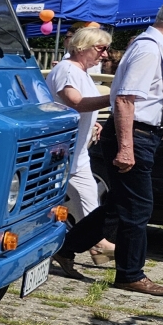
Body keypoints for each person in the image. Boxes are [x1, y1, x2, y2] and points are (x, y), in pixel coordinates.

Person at [52, 0, 163, 295]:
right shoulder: (148, 49)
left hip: (144, 134)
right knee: (138, 208)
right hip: (135, 136)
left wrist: (162, 123)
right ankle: (130, 273)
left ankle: (66, 248)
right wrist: (127, 147)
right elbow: (124, 99)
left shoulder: (155, 47)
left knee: (120, 205)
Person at [46, 26, 114, 263]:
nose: (105, 54)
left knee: (90, 203)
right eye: (101, 48)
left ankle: (92, 247)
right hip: (60, 153)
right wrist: (114, 97)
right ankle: (99, 247)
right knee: (81, 206)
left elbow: (82, 107)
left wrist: (94, 123)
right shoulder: (67, 70)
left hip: (77, 154)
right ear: (83, 46)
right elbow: (75, 102)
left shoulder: (81, 72)